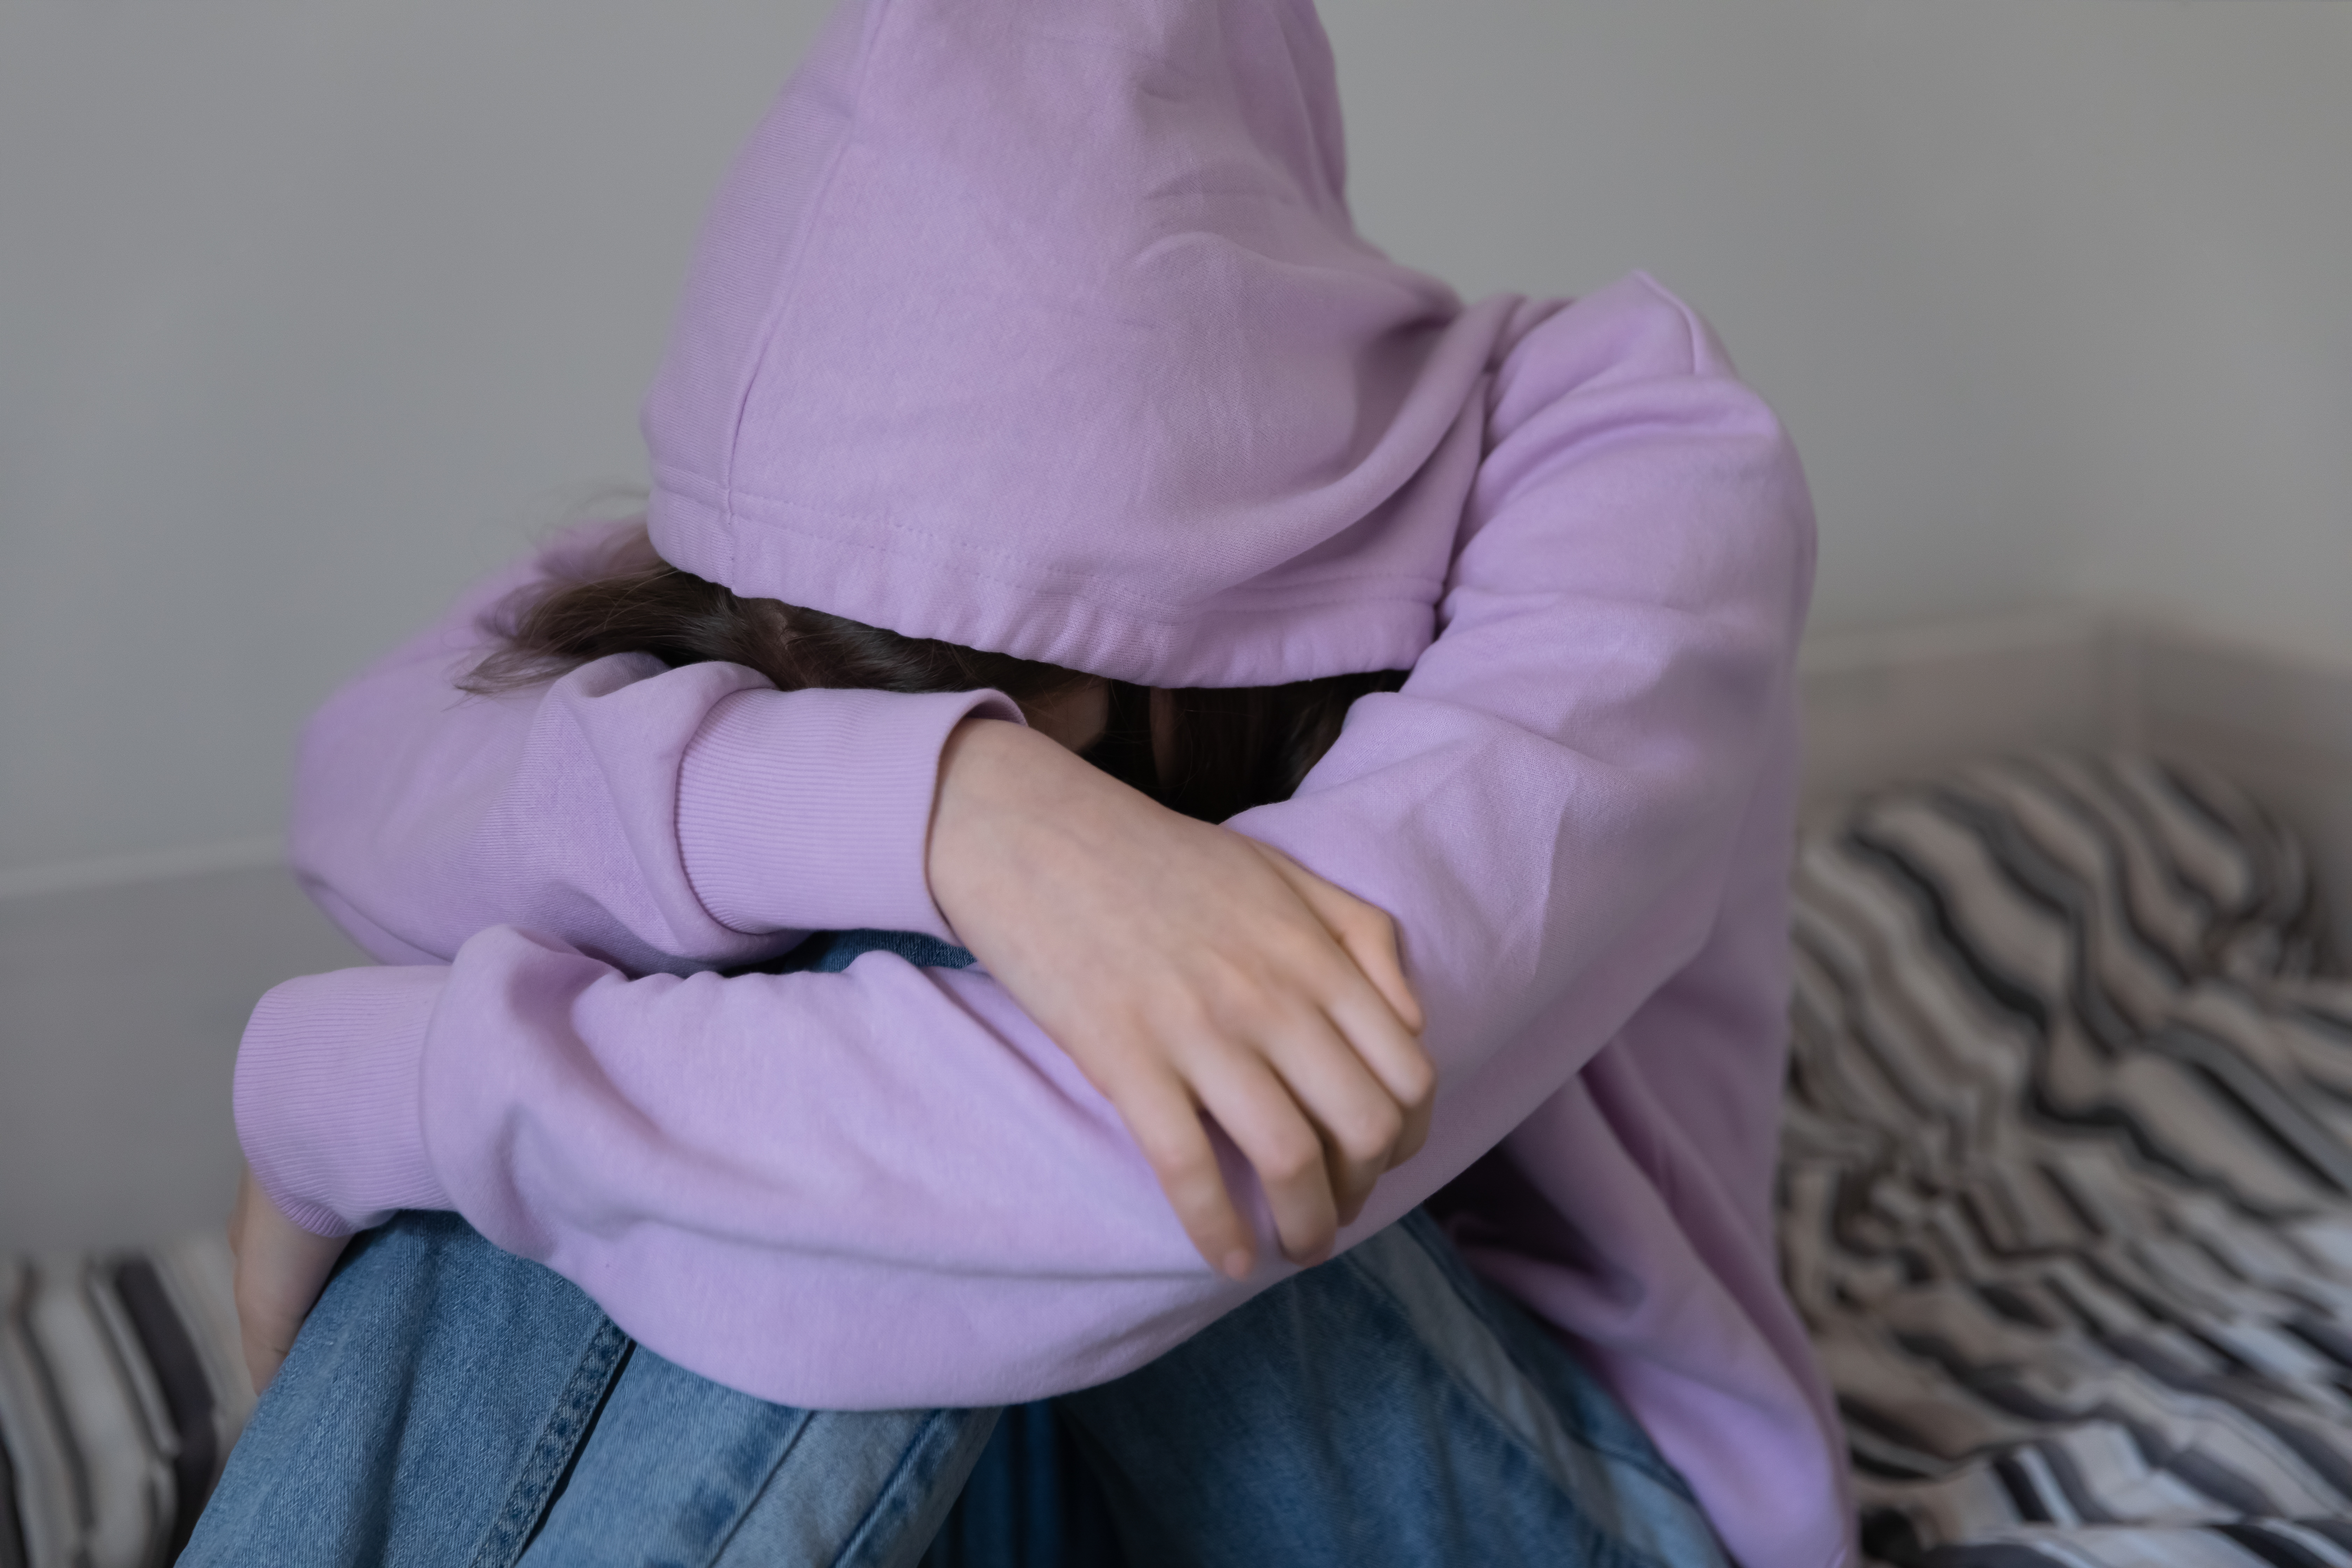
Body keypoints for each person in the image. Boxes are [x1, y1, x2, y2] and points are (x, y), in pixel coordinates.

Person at [192, 0, 1854, 1562]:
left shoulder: (1637, 460)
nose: (826, 684)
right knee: (677, 990)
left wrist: (386, 1088)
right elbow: (369, 775)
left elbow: (1205, 1130)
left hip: (1550, 1496)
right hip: (1010, 1470)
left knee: (857, 1024)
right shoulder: (806, 533)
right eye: (785, 651)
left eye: (978, 684)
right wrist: (962, 811)